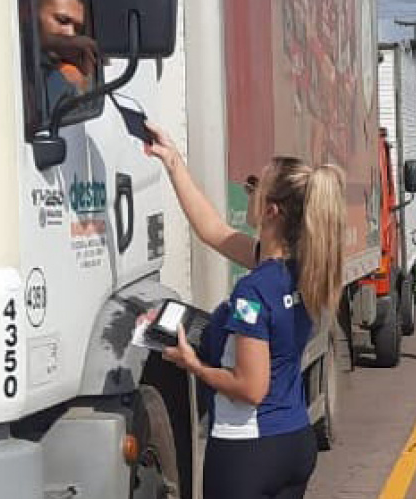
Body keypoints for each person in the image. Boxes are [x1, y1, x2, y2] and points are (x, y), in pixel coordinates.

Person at [140, 123, 346, 498]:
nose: (247, 192)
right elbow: (213, 230)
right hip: (294, 440)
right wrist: (173, 162)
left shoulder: (253, 291)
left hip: (248, 451)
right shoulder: (303, 270)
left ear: (271, 210)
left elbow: (251, 388)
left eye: (254, 187)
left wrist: (193, 365)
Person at [36, 0, 97, 97]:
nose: (71, 34)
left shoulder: (67, 74)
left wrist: (86, 78)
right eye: (62, 20)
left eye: (78, 30)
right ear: (27, 11)